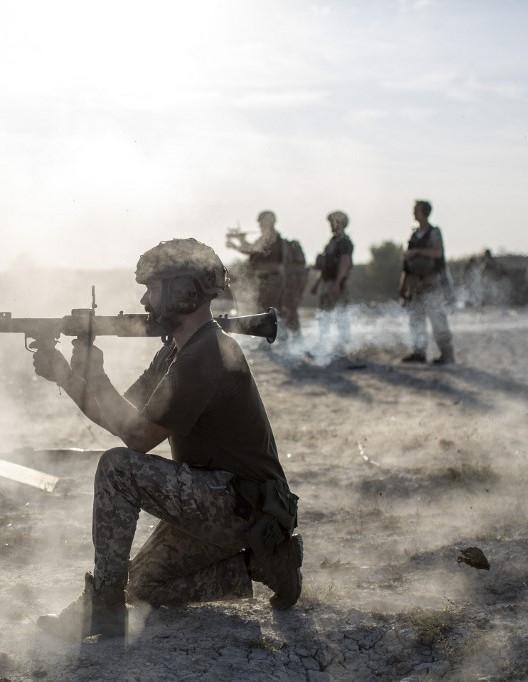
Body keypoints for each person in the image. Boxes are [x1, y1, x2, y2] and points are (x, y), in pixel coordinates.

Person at [31, 238, 302, 641]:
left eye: (153, 287)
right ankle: (263, 564)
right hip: (225, 501)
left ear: (182, 291)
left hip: (241, 503)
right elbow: (127, 414)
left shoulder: (207, 353)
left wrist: (88, 376)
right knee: (142, 588)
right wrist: (72, 376)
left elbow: (137, 438)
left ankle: (103, 608)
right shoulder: (179, 351)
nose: (144, 300)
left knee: (117, 468)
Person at [226, 211, 306, 341]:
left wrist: (235, 244)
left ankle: (276, 338)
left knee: (267, 309)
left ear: (268, 221)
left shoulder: (269, 236)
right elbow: (253, 248)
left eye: (261, 221)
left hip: (271, 280)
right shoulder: (270, 236)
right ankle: (283, 339)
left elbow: (252, 249)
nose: (259, 225)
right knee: (274, 309)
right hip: (271, 279)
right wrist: (241, 239)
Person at [398, 200, 455, 365]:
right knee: (416, 319)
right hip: (415, 283)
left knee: (437, 319)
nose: (413, 213)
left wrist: (417, 251)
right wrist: (402, 286)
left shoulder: (433, 232)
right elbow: (406, 266)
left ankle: (447, 355)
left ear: (424, 212)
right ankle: (419, 352)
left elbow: (438, 253)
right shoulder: (414, 235)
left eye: (416, 210)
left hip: (432, 282)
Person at [309, 211, 354, 357]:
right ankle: (322, 345)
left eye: (333, 222)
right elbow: (326, 266)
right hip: (328, 283)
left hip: (336, 284)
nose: (330, 225)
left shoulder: (343, 242)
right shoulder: (332, 242)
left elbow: (345, 262)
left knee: (341, 316)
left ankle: (342, 348)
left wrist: (338, 283)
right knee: (324, 316)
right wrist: (317, 284)